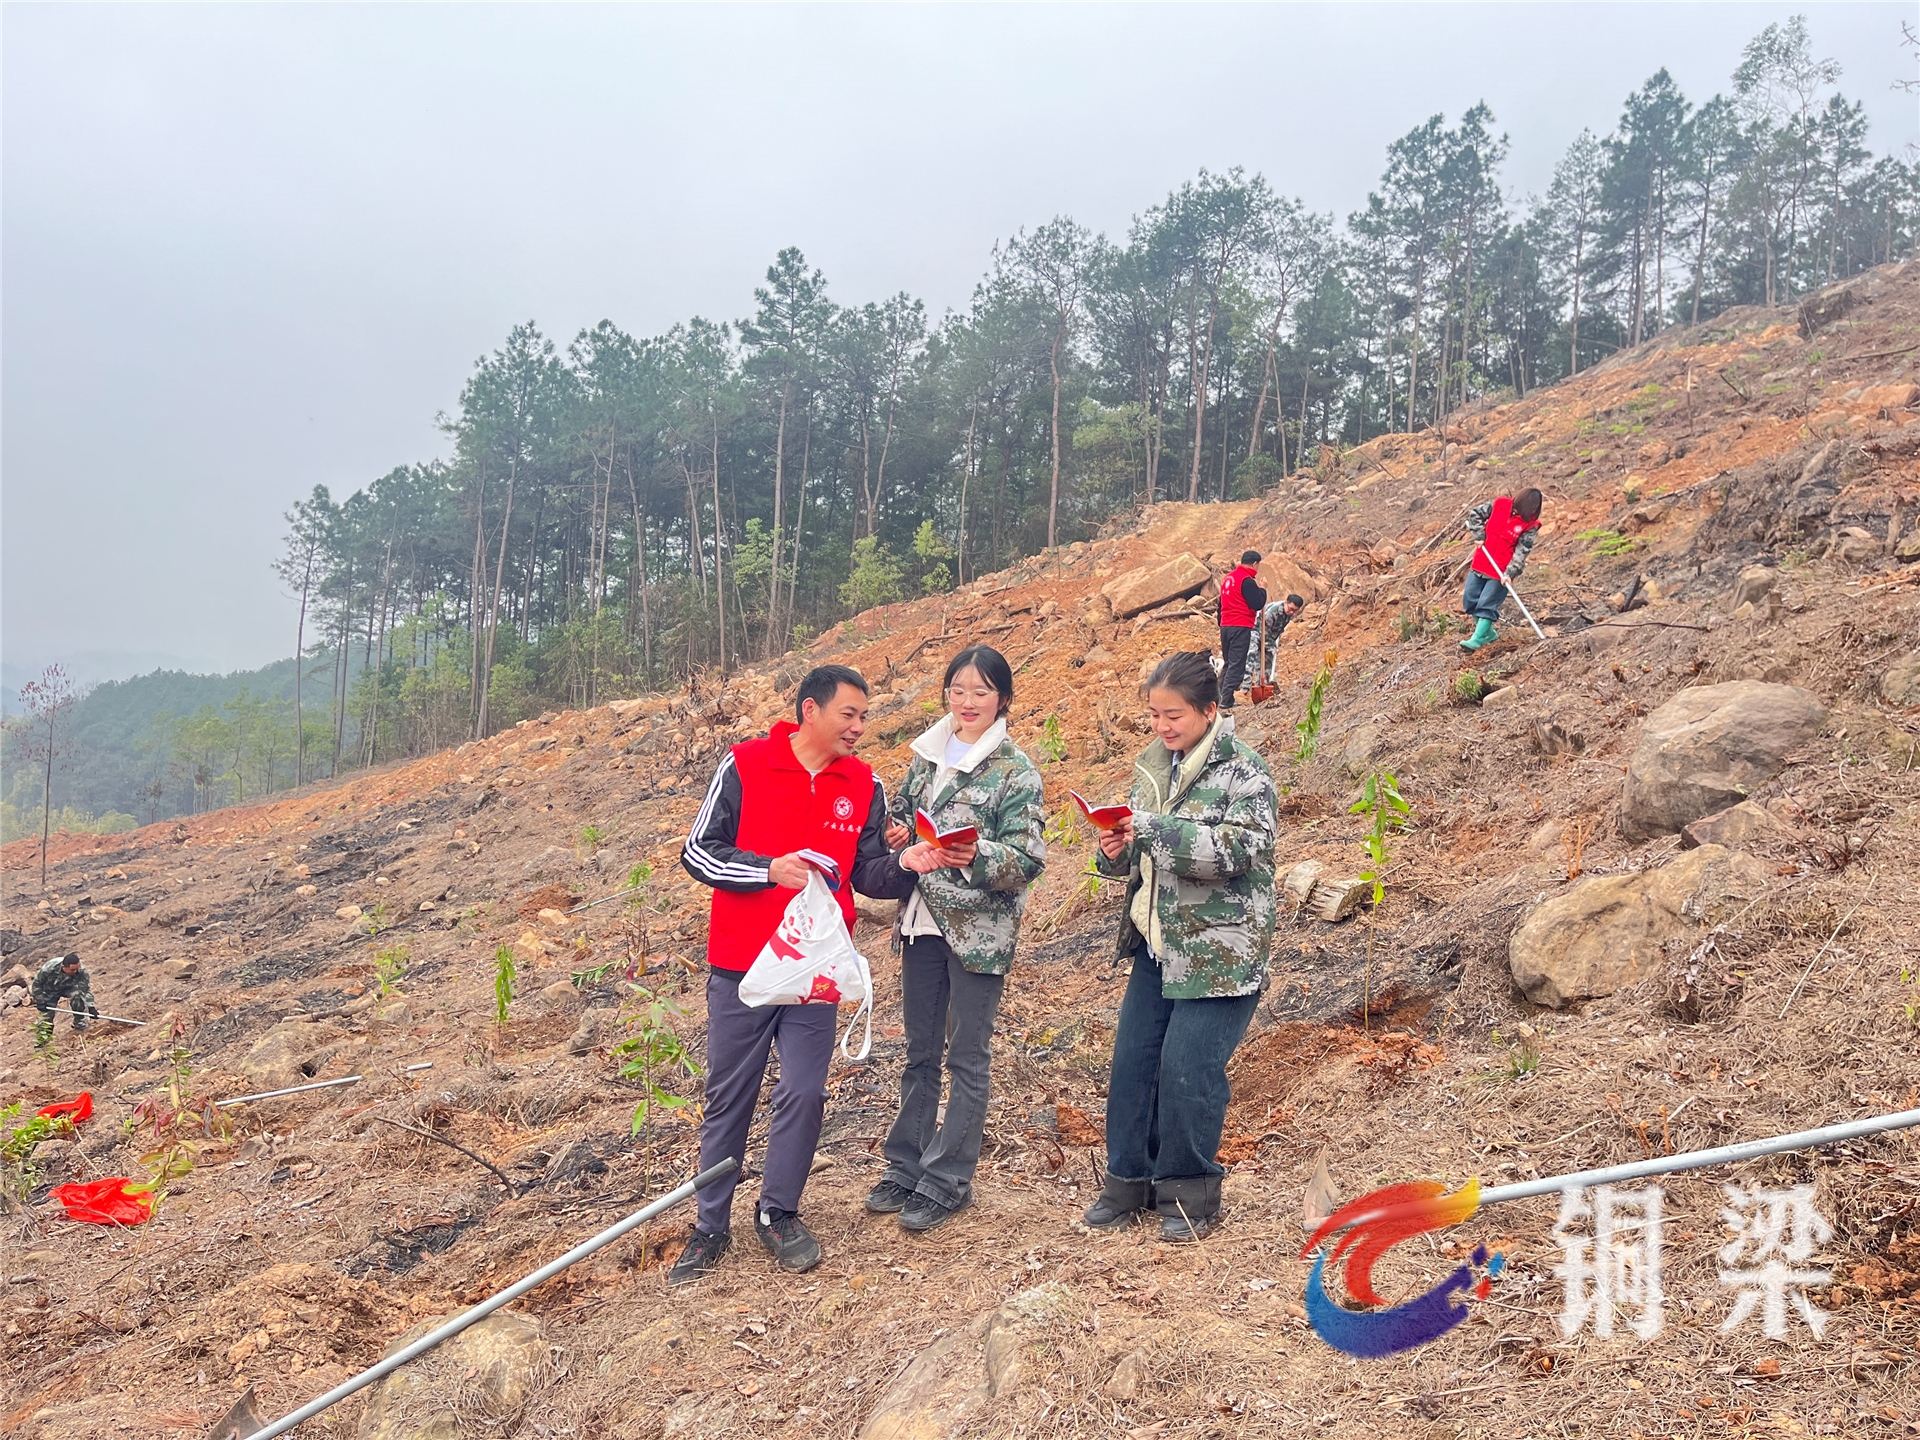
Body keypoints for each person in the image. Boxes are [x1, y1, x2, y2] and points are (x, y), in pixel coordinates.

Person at [674, 664, 916, 1283]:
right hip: (743, 965)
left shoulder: (863, 783)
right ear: (811, 710)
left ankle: (778, 1212)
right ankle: (710, 1226)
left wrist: (911, 862)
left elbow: (868, 875)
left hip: (817, 968)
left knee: (806, 1091)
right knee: (730, 1096)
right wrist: (766, 870)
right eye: (849, 715)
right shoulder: (746, 764)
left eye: (864, 717)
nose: (859, 727)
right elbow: (698, 852)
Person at [1085, 652, 1278, 1243]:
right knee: (1133, 1065)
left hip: (1220, 951)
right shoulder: (1153, 766)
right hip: (1157, 943)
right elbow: (1136, 857)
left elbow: (1236, 853)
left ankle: (1189, 1193)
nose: (1162, 726)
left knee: (1188, 1070)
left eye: (1173, 715)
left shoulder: (1244, 773)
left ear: (1209, 710)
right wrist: (1115, 850)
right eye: (1154, 715)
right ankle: (1127, 1182)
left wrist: (1148, 830)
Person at [871, 645, 1046, 1233]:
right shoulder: (927, 755)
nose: (967, 702)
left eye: (981, 691)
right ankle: (906, 1164)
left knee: (966, 1055)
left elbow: (1027, 858)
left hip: (977, 933)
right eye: (957, 690)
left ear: (1003, 699)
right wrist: (898, 832)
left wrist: (975, 854)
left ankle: (948, 1179)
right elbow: (899, 814)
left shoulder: (1015, 770)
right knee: (919, 1051)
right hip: (921, 921)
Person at [1460, 488, 1543, 652]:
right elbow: (1475, 514)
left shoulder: (1530, 525)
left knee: (1487, 605)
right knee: (1470, 601)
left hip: (1501, 571)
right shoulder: (1499, 505)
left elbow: (1522, 552)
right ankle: (1489, 634)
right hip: (1481, 562)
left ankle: (1476, 640)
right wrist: (1479, 536)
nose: (1530, 512)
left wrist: (1510, 573)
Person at [1215, 550, 1267, 712]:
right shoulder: (1246, 580)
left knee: (1229, 663)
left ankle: (1219, 697)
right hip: (1240, 625)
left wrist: (1221, 623)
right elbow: (1256, 603)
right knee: (1237, 665)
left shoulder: (1228, 578)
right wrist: (1263, 589)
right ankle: (1226, 700)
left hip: (1226, 626)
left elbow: (1220, 604)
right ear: (1255, 564)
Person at [31, 952, 95, 1033]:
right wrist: (40, 1001)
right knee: (46, 1017)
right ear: (64, 967)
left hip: (68, 988)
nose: (75, 971)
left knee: (78, 994)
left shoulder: (81, 971)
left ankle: (79, 1022)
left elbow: (85, 989)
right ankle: (44, 1036)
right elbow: (36, 985)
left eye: (77, 969)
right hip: (49, 990)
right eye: (72, 970)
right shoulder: (49, 968)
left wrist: (91, 1006)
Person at [1259, 594, 1306, 683]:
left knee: (1268, 661)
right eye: (1291, 609)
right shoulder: (1272, 612)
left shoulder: (1288, 613)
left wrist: (1272, 646)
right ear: (1286, 603)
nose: (1292, 612)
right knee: (1251, 659)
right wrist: (1271, 646)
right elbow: (1264, 632)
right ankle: (1245, 687)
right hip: (1255, 632)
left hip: (1270, 637)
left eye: (1295, 611)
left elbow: (1277, 630)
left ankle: (1264, 684)